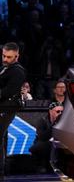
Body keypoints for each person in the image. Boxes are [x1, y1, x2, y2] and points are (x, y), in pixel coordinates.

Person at [0, 43, 25, 175]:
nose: (5, 59)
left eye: (9, 57)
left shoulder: (17, 71)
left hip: (7, 108)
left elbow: (9, 91)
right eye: (4, 55)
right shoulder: (5, 68)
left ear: (17, 56)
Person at [30, 102, 63, 173]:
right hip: (43, 143)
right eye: (58, 111)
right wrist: (54, 126)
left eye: (62, 112)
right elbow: (42, 137)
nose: (60, 113)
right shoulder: (42, 121)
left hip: (60, 143)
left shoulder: (65, 122)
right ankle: (42, 166)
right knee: (45, 146)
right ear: (50, 112)